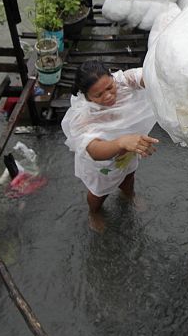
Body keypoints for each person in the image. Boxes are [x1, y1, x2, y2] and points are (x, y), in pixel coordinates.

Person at [62, 60, 159, 230]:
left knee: (129, 175)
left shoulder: (122, 81)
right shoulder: (83, 116)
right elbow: (94, 150)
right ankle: (94, 212)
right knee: (99, 192)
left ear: (111, 76)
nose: (107, 96)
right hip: (102, 165)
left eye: (109, 87)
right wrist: (121, 142)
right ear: (87, 96)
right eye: (98, 95)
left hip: (129, 149)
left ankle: (129, 195)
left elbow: (147, 75)